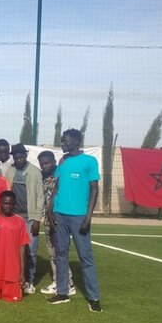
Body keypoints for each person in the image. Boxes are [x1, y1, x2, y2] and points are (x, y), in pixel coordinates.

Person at [47, 128, 102, 312]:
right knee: (61, 254)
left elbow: (94, 189)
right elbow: (56, 187)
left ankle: (93, 297)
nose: (62, 143)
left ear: (76, 142)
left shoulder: (89, 161)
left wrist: (88, 217)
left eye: (65, 140)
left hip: (79, 217)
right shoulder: (63, 161)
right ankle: (63, 293)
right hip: (59, 215)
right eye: (62, 140)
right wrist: (49, 209)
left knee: (85, 256)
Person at [4, 143, 44, 294]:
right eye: (16, 157)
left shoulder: (35, 172)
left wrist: (37, 219)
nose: (19, 160)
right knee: (14, 251)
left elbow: (40, 197)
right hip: (14, 217)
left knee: (31, 251)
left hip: (30, 218)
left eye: (21, 157)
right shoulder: (10, 170)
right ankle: (16, 278)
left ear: (26, 156)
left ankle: (30, 281)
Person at [37, 150, 75, 296]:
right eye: (42, 164)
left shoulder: (61, 174)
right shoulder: (43, 176)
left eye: (47, 163)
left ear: (54, 162)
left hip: (58, 219)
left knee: (59, 252)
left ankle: (64, 283)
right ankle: (63, 282)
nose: (44, 166)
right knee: (53, 253)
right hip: (48, 220)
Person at [0, 191, 30, 302]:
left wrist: (22, 273)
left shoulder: (20, 221)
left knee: (14, 299)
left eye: (11, 204)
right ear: (0, 203)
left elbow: (22, 249)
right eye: (5, 203)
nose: (8, 206)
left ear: (15, 204)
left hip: (12, 273)